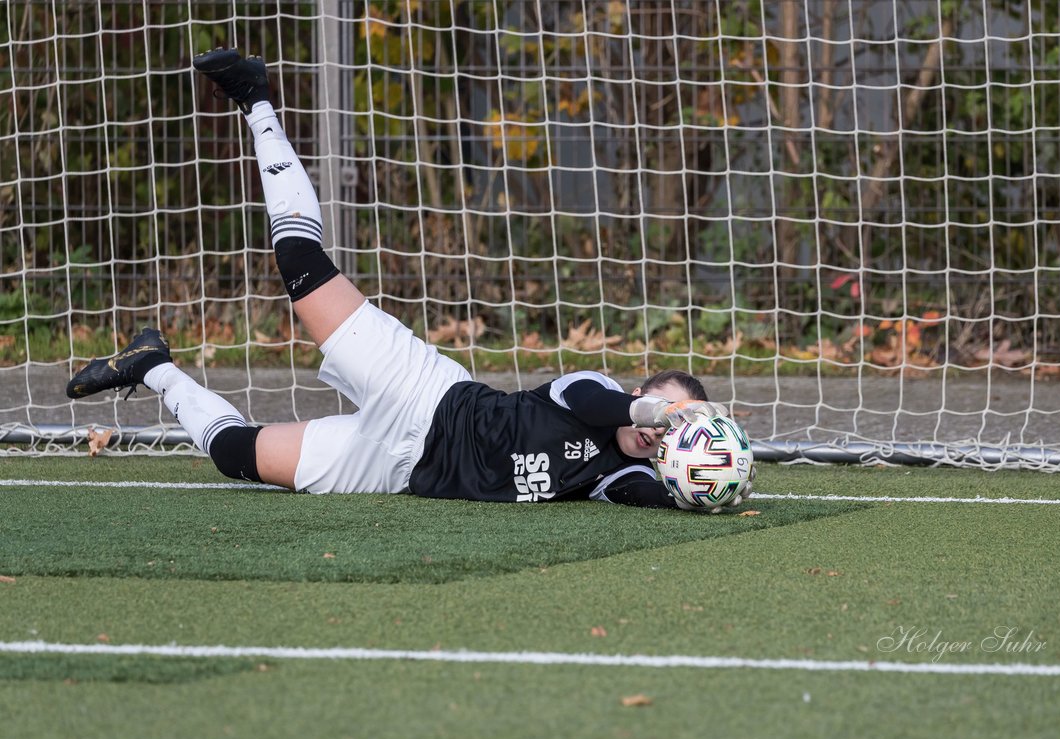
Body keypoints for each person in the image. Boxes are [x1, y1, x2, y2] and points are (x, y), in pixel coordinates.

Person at [66, 47, 751, 511]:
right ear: (642, 396)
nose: (659, 434)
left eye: (670, 434)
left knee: (237, 456)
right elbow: (610, 408)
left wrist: (710, 474)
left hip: (399, 471)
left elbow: (663, 495)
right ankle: (257, 102)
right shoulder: (595, 395)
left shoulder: (618, 475)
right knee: (304, 274)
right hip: (423, 393)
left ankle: (153, 367)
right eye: (662, 413)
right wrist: (661, 414)